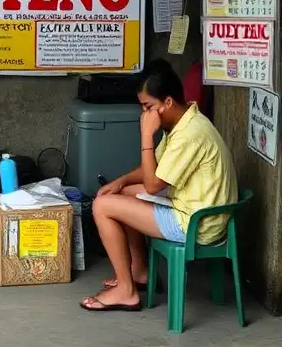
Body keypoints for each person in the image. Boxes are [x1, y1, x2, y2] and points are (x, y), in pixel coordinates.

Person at [80, 58, 238, 311]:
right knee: (123, 194)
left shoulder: (190, 134)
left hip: (196, 224)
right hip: (190, 207)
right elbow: (153, 170)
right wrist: (120, 182)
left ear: (168, 102)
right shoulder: (183, 122)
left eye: (148, 107)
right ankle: (139, 273)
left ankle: (126, 291)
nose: (145, 115)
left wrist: (145, 135)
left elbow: (153, 185)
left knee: (102, 206)